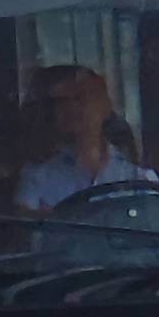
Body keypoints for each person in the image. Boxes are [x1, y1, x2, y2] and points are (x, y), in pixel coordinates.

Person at [12, 64, 145, 213]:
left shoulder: (139, 178)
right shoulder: (36, 176)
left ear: (105, 106)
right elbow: (25, 230)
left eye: (81, 98)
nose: (71, 108)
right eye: (62, 101)